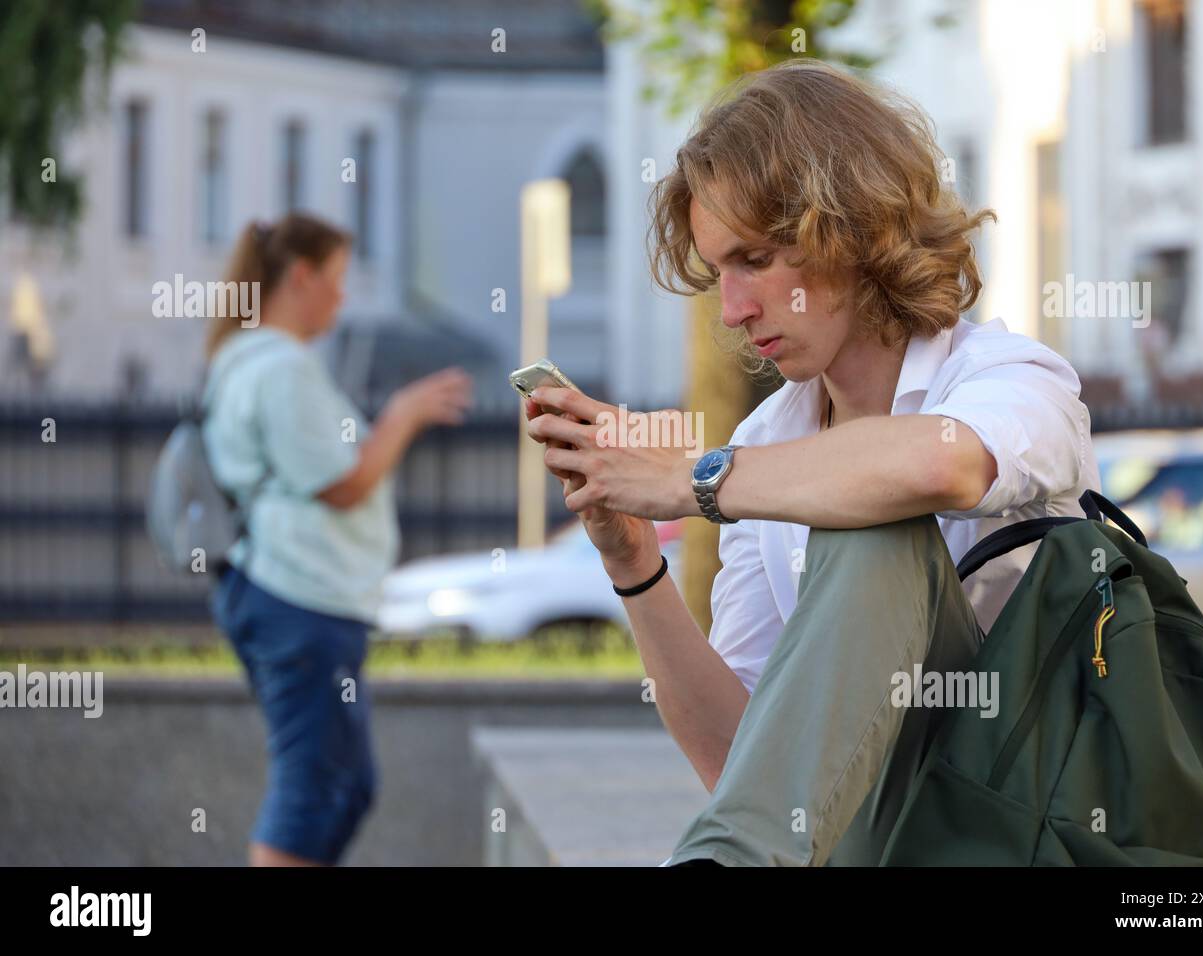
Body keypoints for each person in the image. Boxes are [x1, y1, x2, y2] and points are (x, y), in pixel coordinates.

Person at [524, 59, 1100, 866]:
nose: (732, 310)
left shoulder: (1013, 378)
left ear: (854, 229)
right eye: (718, 272)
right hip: (875, 841)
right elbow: (744, 766)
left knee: (872, 518)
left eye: (755, 260)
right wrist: (633, 561)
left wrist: (697, 481)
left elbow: (945, 469)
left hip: (1031, 825)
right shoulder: (765, 448)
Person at [203, 213, 473, 866]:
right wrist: (403, 416)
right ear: (300, 277)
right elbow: (342, 482)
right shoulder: (280, 370)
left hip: (300, 599)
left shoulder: (249, 363)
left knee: (347, 786)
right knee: (314, 783)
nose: (342, 296)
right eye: (336, 279)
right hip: (297, 598)